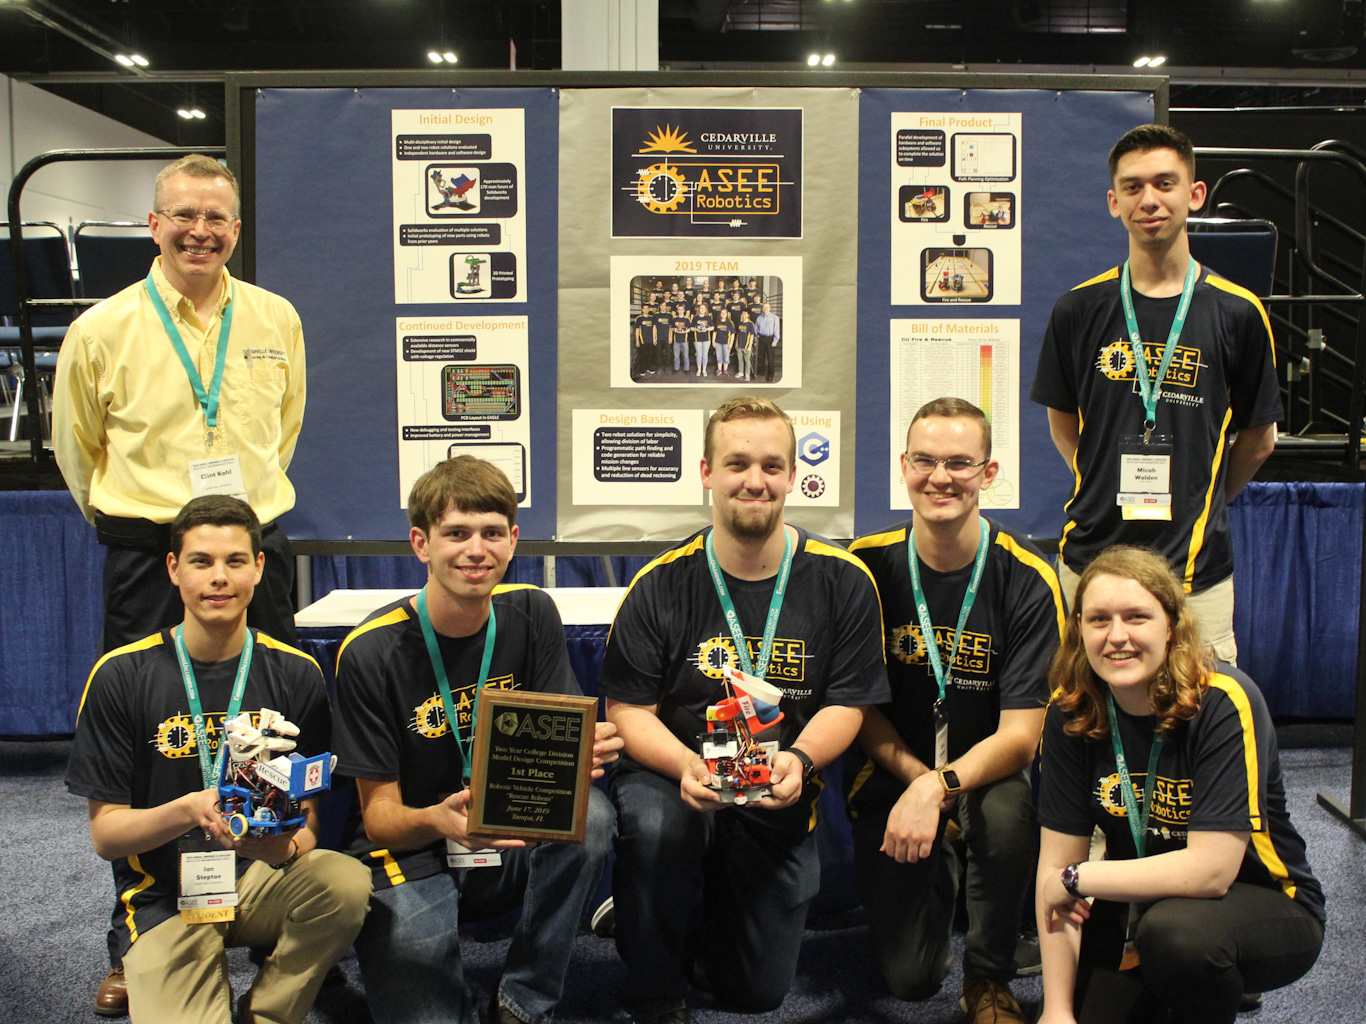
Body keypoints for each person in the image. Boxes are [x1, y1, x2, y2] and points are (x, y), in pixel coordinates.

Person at [53, 152, 309, 1017]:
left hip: (248, 545)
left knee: (271, 739)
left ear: (237, 229)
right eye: (183, 216)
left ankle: (275, 918)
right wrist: (151, 530)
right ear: (154, 224)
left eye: (217, 219)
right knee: (143, 750)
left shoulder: (276, 318)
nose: (200, 232)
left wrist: (236, 537)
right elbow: (75, 450)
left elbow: (286, 431)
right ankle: (139, 938)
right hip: (147, 552)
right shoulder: (102, 328)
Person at [600, 396, 888, 1024]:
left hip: (777, 791)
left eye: (771, 465)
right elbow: (627, 709)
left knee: (756, 993)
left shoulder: (843, 581)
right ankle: (654, 986)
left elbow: (849, 703)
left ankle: (674, 913)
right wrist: (684, 765)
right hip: (675, 783)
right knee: (658, 828)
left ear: (792, 475)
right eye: (737, 464)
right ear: (706, 472)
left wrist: (804, 759)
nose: (754, 481)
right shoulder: (659, 583)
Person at [332, 455, 620, 1024]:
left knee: (594, 819)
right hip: (412, 848)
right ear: (421, 543)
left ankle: (523, 1001)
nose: (476, 550)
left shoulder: (532, 613)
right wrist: (437, 818)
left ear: (514, 540)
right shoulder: (369, 653)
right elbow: (380, 818)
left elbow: (562, 762)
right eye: (456, 533)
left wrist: (582, 757)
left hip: (508, 836)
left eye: (492, 533)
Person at [65, 495, 371, 1024]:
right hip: (165, 895)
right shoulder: (120, 675)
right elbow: (107, 836)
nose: (219, 578)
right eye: (201, 562)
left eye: (234, 561)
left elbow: (310, 822)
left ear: (258, 567)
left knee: (345, 883)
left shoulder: (297, 674)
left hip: (257, 878)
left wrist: (274, 842)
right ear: (173, 569)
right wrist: (190, 809)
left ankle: (267, 1011)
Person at [1035, 546, 1324, 1024]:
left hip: (1261, 899)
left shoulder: (1223, 701)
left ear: (1170, 627)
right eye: (1099, 620)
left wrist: (1076, 879)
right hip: (1136, 899)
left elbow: (1210, 872)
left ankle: (1210, 986)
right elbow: (1056, 870)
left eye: (1137, 617)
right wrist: (1057, 1010)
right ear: (1079, 629)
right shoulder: (1072, 711)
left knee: (1181, 941)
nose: (1117, 636)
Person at [846, 398, 1064, 1024]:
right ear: (903, 465)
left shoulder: (1025, 576)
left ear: (989, 473)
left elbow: (1023, 737)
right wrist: (919, 783)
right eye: (925, 460)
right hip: (893, 770)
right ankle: (936, 888)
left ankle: (988, 976)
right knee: (909, 981)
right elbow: (856, 707)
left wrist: (941, 786)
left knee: (1006, 811)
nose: (940, 477)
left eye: (960, 463)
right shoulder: (866, 565)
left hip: (986, 769)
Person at [1030, 124, 1280, 662]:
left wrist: (1203, 495)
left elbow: (1260, 437)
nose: (1149, 199)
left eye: (1165, 183)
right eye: (1133, 186)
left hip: (1196, 573)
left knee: (1203, 720)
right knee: (1086, 721)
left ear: (1194, 195)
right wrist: (1098, 477)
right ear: (1113, 202)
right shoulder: (1078, 309)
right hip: (1091, 562)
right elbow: (1062, 423)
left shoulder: (1238, 312)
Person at [753, 302, 781, 383]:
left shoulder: (775, 318)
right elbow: (756, 329)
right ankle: (761, 371)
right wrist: (755, 340)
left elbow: (776, 330)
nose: (765, 309)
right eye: (764, 307)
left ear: (770, 308)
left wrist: (775, 340)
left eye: (767, 307)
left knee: (770, 358)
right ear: (762, 308)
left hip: (770, 339)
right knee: (760, 357)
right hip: (761, 338)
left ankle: (770, 375)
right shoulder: (759, 318)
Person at [692, 302, 714, 378]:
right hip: (697, 338)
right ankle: (699, 369)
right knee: (699, 354)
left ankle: (704, 370)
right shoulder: (695, 318)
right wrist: (696, 329)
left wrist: (707, 329)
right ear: (698, 309)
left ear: (706, 310)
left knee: (705, 354)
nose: (702, 309)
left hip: (706, 338)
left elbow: (712, 327)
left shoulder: (708, 318)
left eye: (703, 308)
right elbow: (691, 328)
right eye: (701, 308)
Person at [670, 302, 692, 374]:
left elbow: (689, 329)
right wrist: (675, 330)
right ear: (677, 311)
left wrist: (685, 331)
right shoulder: (674, 319)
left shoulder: (687, 319)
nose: (680, 311)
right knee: (676, 356)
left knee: (686, 356)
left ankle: (687, 369)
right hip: (676, 340)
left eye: (681, 309)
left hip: (685, 340)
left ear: (684, 310)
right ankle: (676, 369)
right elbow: (672, 328)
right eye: (679, 309)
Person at [735, 310, 757, 383]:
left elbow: (752, 335)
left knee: (747, 360)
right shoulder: (740, 323)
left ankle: (747, 374)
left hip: (746, 345)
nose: (743, 315)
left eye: (745, 314)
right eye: (742, 314)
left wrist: (750, 345)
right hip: (739, 345)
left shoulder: (750, 324)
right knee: (740, 359)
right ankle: (741, 372)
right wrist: (736, 343)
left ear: (748, 315)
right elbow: (738, 334)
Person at [713, 309, 734, 378]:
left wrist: (731, 343)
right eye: (722, 313)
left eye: (725, 313)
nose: (723, 314)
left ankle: (725, 370)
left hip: (726, 343)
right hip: (718, 342)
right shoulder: (718, 322)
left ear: (727, 314)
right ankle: (719, 369)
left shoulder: (730, 323)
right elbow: (714, 332)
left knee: (726, 356)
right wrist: (713, 341)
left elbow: (732, 334)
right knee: (719, 356)